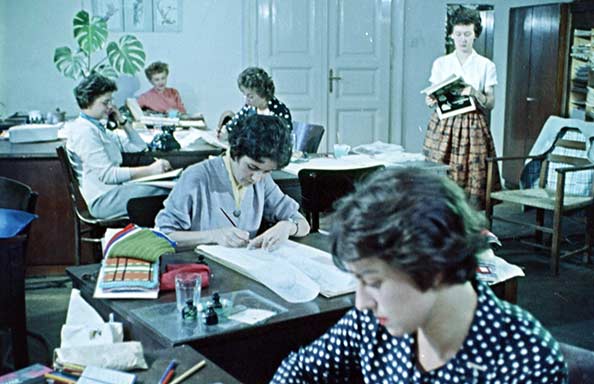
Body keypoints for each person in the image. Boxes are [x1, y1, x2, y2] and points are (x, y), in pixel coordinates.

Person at [271, 167, 568, 383]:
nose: (361, 303)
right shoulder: (371, 322)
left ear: (435, 268)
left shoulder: (526, 362)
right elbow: (299, 369)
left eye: (374, 282)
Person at [155, 114, 309, 250]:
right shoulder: (196, 177)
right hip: (199, 271)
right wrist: (213, 236)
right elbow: (162, 236)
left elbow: (302, 224)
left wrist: (287, 227)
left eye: (266, 171)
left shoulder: (263, 181)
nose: (256, 178)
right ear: (235, 152)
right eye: (252, 167)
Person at [423, 7, 501, 210]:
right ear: (451, 35)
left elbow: (491, 103)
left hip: (472, 127)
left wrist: (475, 92)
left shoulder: (486, 65)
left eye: (467, 34)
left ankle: (469, 226)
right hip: (443, 126)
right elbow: (432, 97)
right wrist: (431, 100)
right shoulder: (441, 63)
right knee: (440, 175)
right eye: (458, 34)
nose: (463, 39)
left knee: (471, 176)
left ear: (476, 34)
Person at [65, 74, 172, 219]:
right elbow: (108, 174)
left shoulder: (97, 127)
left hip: (116, 192)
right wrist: (150, 170)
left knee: (172, 186)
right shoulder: (84, 131)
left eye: (111, 101)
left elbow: (138, 146)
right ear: (88, 101)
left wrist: (121, 119)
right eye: (105, 102)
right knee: (168, 190)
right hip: (103, 201)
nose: (110, 106)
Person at [217, 67, 292, 138]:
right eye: (245, 95)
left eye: (251, 97)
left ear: (263, 94)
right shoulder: (249, 108)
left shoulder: (280, 111)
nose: (247, 101)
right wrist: (225, 130)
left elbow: (285, 140)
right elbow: (233, 125)